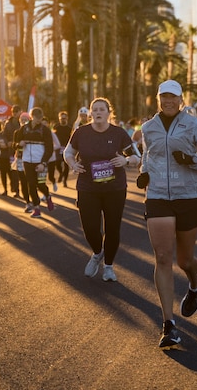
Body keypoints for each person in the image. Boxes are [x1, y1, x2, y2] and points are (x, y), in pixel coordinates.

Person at [138, 80, 197, 349]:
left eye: (173, 97)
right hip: (158, 196)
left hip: (189, 196)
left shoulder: (194, 124)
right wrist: (143, 174)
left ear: (181, 99)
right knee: (162, 257)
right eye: (163, 97)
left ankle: (195, 282)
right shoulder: (148, 127)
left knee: (185, 260)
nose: (168, 101)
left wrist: (192, 160)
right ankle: (168, 325)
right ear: (157, 99)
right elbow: (147, 157)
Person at [64, 98, 138, 282]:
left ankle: (109, 267)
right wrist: (73, 163)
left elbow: (137, 156)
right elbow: (68, 152)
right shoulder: (81, 132)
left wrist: (126, 161)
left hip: (115, 188)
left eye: (101, 109)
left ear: (108, 112)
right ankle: (97, 253)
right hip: (88, 187)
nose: (98, 112)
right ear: (90, 113)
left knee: (112, 229)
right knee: (90, 228)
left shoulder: (119, 133)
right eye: (94, 109)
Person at [14, 107, 54, 218]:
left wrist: (43, 163)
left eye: (40, 118)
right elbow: (15, 143)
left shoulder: (45, 130)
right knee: (31, 184)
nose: (39, 120)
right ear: (32, 117)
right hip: (27, 161)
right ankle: (36, 208)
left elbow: (49, 148)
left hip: (40, 161)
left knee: (40, 184)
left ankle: (47, 196)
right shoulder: (24, 129)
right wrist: (19, 144)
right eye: (37, 118)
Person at [53, 111, 72, 189]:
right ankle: (61, 173)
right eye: (61, 118)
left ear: (67, 118)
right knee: (57, 163)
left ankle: (65, 181)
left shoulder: (69, 128)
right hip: (58, 147)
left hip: (67, 147)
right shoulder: (56, 127)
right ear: (59, 119)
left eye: (64, 118)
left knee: (66, 165)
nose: (63, 120)